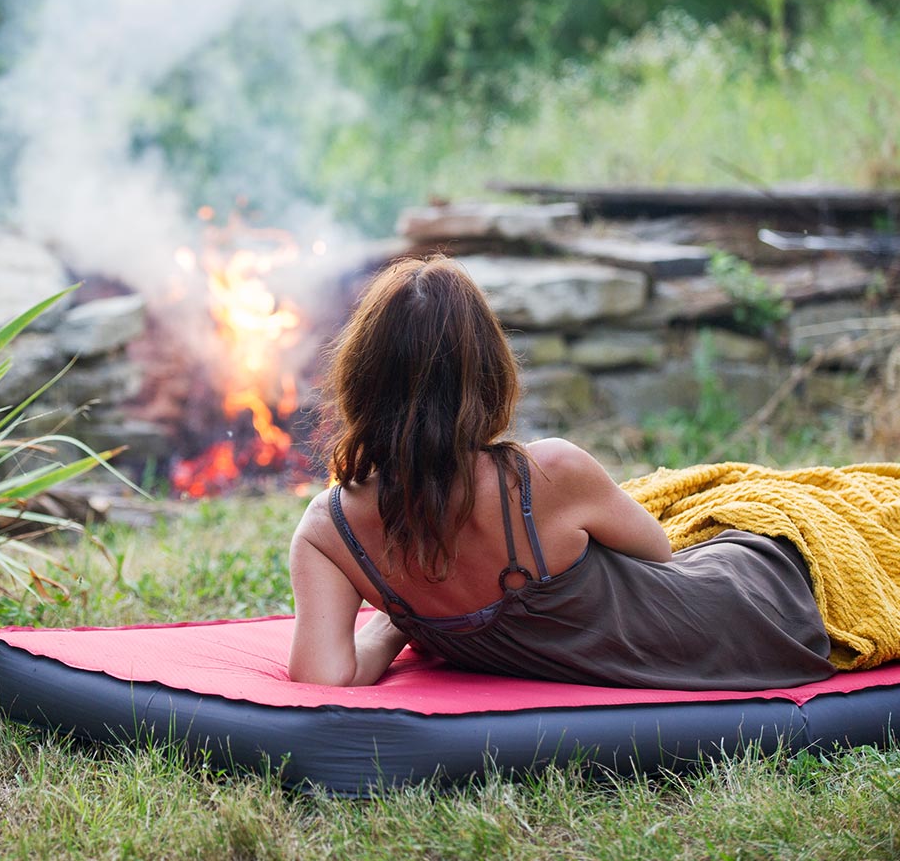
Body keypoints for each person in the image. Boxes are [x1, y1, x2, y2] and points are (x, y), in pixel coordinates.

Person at [288, 256, 834, 690]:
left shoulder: (328, 530)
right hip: (748, 626)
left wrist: (397, 622)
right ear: (487, 373)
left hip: (732, 617)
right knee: (782, 512)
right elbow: (660, 550)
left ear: (358, 379)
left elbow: (324, 674)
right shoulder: (547, 473)